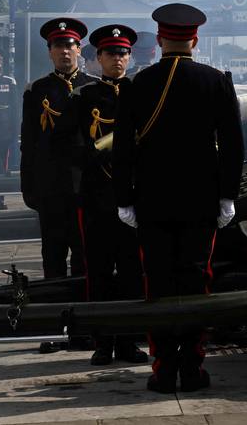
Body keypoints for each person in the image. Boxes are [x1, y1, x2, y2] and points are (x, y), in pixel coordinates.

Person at [113, 4, 242, 393]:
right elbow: (233, 145)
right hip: (201, 202)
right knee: (196, 280)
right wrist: (227, 197)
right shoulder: (217, 81)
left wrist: (124, 200)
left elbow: (122, 149)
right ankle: (192, 366)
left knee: (159, 284)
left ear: (159, 40)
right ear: (195, 39)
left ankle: (164, 368)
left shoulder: (138, 84)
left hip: (151, 203)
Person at [68, 25, 147, 366]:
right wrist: (104, 149)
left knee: (132, 273)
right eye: (111, 53)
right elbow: (69, 146)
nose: (118, 59)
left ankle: (129, 341)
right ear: (97, 57)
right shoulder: (83, 97)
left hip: (132, 197)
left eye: (123, 53)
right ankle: (103, 343)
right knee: (97, 273)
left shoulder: (141, 93)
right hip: (97, 197)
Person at [21, 18, 95, 286]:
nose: (65, 51)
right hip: (49, 185)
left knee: (84, 257)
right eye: (58, 46)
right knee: (52, 254)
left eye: (70, 45)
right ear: (50, 51)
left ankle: (83, 319)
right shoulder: (36, 90)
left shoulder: (93, 88)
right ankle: (54, 310)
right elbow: (28, 142)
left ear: (79, 49)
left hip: (84, 187)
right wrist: (27, 185)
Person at [0, 52, 16, 174]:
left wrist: (15, 128)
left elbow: (15, 107)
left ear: (0, 63)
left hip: (2, 127)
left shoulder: (9, 81)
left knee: (1, 159)